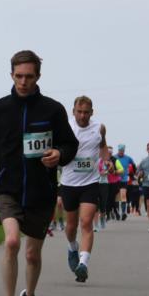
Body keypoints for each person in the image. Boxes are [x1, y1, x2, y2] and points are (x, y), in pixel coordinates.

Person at [0, 50, 78, 296]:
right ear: (11, 75)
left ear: (38, 77)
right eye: (18, 76)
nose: (23, 82)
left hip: (41, 191)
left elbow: (70, 145)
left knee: (32, 255)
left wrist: (59, 154)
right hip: (8, 187)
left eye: (29, 77)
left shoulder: (52, 110)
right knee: (11, 242)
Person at [60, 96, 105, 283]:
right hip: (69, 183)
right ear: (73, 111)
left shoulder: (99, 128)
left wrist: (106, 160)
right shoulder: (66, 127)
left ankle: (83, 264)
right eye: (79, 112)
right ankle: (72, 247)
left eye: (86, 112)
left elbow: (103, 147)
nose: (82, 115)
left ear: (91, 112)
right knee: (71, 226)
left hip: (90, 182)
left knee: (86, 222)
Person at [115, 144, 135, 220]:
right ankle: (116, 212)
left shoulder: (128, 158)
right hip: (115, 179)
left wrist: (132, 174)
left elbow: (133, 165)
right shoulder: (114, 157)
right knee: (117, 197)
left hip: (124, 179)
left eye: (122, 151)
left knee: (123, 195)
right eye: (120, 150)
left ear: (124, 150)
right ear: (118, 150)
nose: (121, 152)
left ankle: (123, 213)